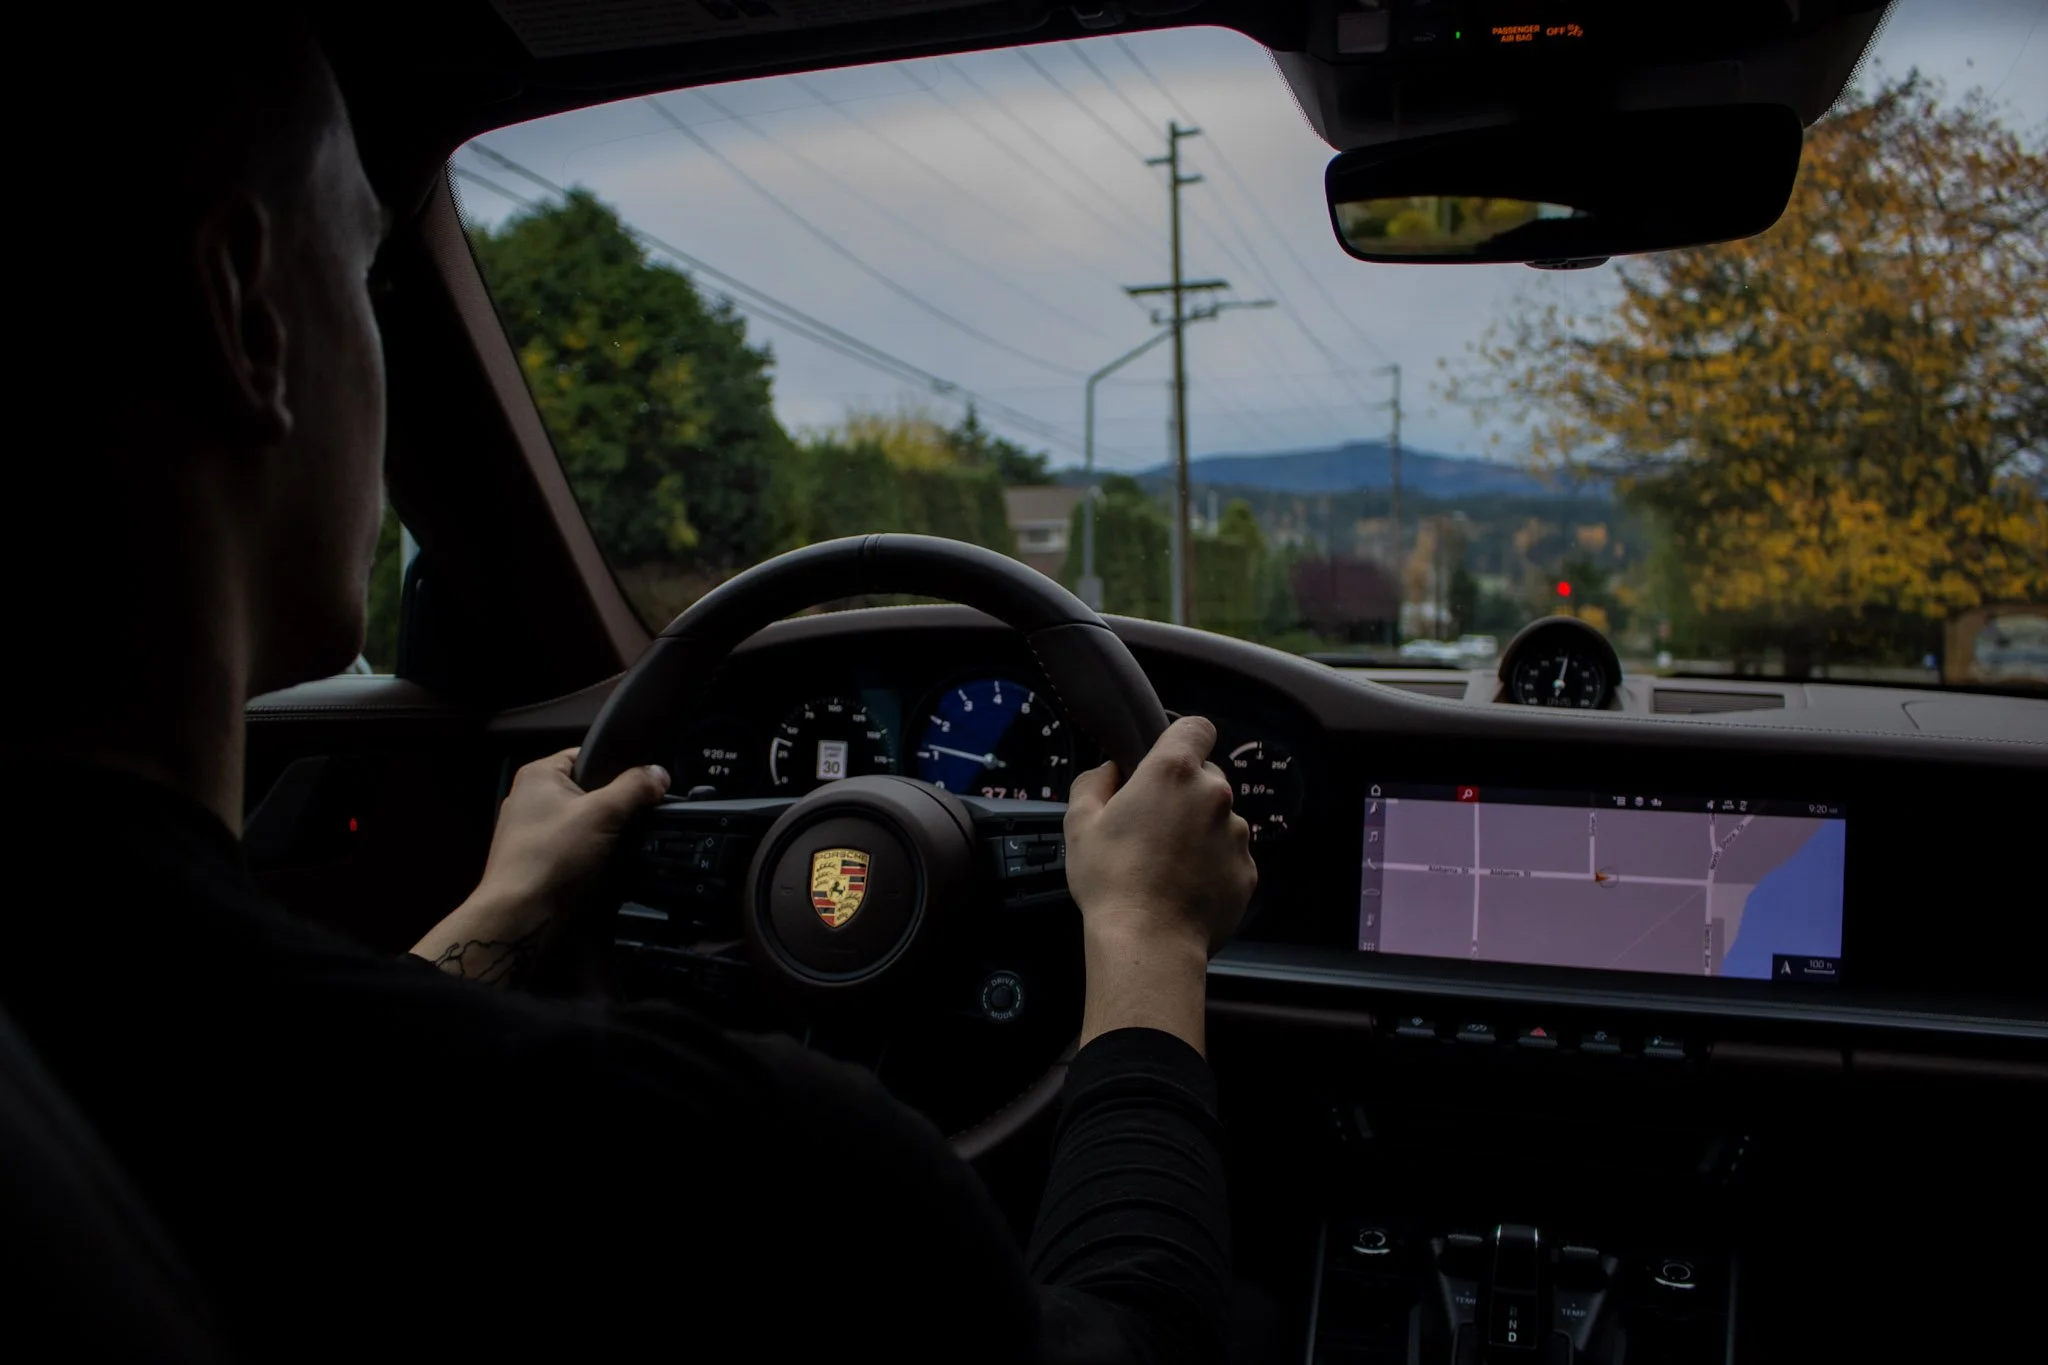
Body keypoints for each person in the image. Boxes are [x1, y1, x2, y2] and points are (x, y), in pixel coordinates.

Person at [0, 13, 1259, 1362]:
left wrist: (504, 906)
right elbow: (1133, 1336)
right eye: (367, 273)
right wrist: (1145, 939)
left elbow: (257, 1109)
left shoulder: (113, 1064)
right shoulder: (737, 1166)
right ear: (245, 313)